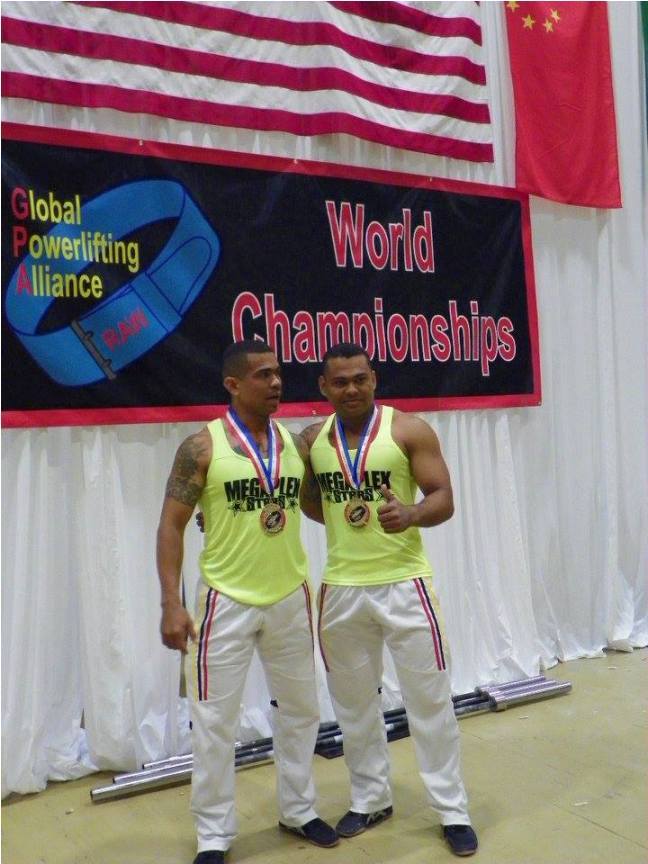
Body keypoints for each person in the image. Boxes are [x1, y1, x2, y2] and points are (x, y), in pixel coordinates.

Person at [156, 339, 338, 864]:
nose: (277, 382)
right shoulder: (201, 447)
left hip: (289, 596)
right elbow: (170, 527)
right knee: (215, 721)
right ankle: (214, 835)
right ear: (233, 384)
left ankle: (298, 809)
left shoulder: (295, 446)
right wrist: (171, 603)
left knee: (301, 711)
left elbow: (316, 509)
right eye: (263, 374)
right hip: (225, 601)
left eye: (278, 373)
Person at [300, 342, 478, 858]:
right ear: (324, 387)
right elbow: (308, 501)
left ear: (374, 379)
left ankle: (452, 810)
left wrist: (412, 514)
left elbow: (443, 497)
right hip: (341, 588)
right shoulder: (312, 441)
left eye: (360, 378)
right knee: (354, 707)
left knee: (430, 702)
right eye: (340, 381)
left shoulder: (408, 430)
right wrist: (346, 520)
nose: (351, 388)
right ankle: (371, 798)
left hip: (405, 584)